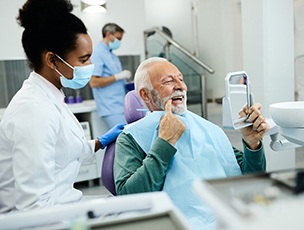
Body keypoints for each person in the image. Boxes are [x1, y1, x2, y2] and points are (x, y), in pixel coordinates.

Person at [114, 57, 269, 229]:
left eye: (181, 79)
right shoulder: (131, 138)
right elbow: (129, 197)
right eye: (168, 81)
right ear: (145, 94)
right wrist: (164, 143)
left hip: (228, 217)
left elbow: (250, 179)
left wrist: (252, 144)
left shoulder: (207, 129)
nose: (180, 86)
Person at [0, 0, 124, 213]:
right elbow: (34, 208)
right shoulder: (33, 110)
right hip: (41, 219)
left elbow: (63, 152)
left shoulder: (50, 96)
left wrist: (100, 142)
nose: (90, 67)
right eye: (83, 60)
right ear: (51, 60)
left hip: (62, 207)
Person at [90, 23, 131, 129]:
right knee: (125, 140)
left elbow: (115, 81)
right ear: (108, 35)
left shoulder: (112, 55)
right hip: (110, 108)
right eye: (118, 38)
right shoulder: (97, 53)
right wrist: (117, 77)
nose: (119, 42)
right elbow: (93, 82)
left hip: (120, 106)